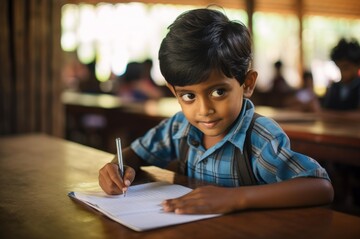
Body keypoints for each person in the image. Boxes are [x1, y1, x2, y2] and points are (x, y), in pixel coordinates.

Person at [99, 8, 333, 214]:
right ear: (174, 92)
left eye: (218, 92)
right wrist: (117, 168)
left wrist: (236, 198)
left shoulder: (259, 137)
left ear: (247, 83)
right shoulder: (179, 127)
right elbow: (136, 153)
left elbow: (320, 188)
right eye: (189, 96)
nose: (204, 110)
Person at [322, 38, 360, 111]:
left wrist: (330, 115)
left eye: (346, 67)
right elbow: (326, 110)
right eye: (339, 68)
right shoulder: (335, 87)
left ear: (357, 65)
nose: (342, 72)